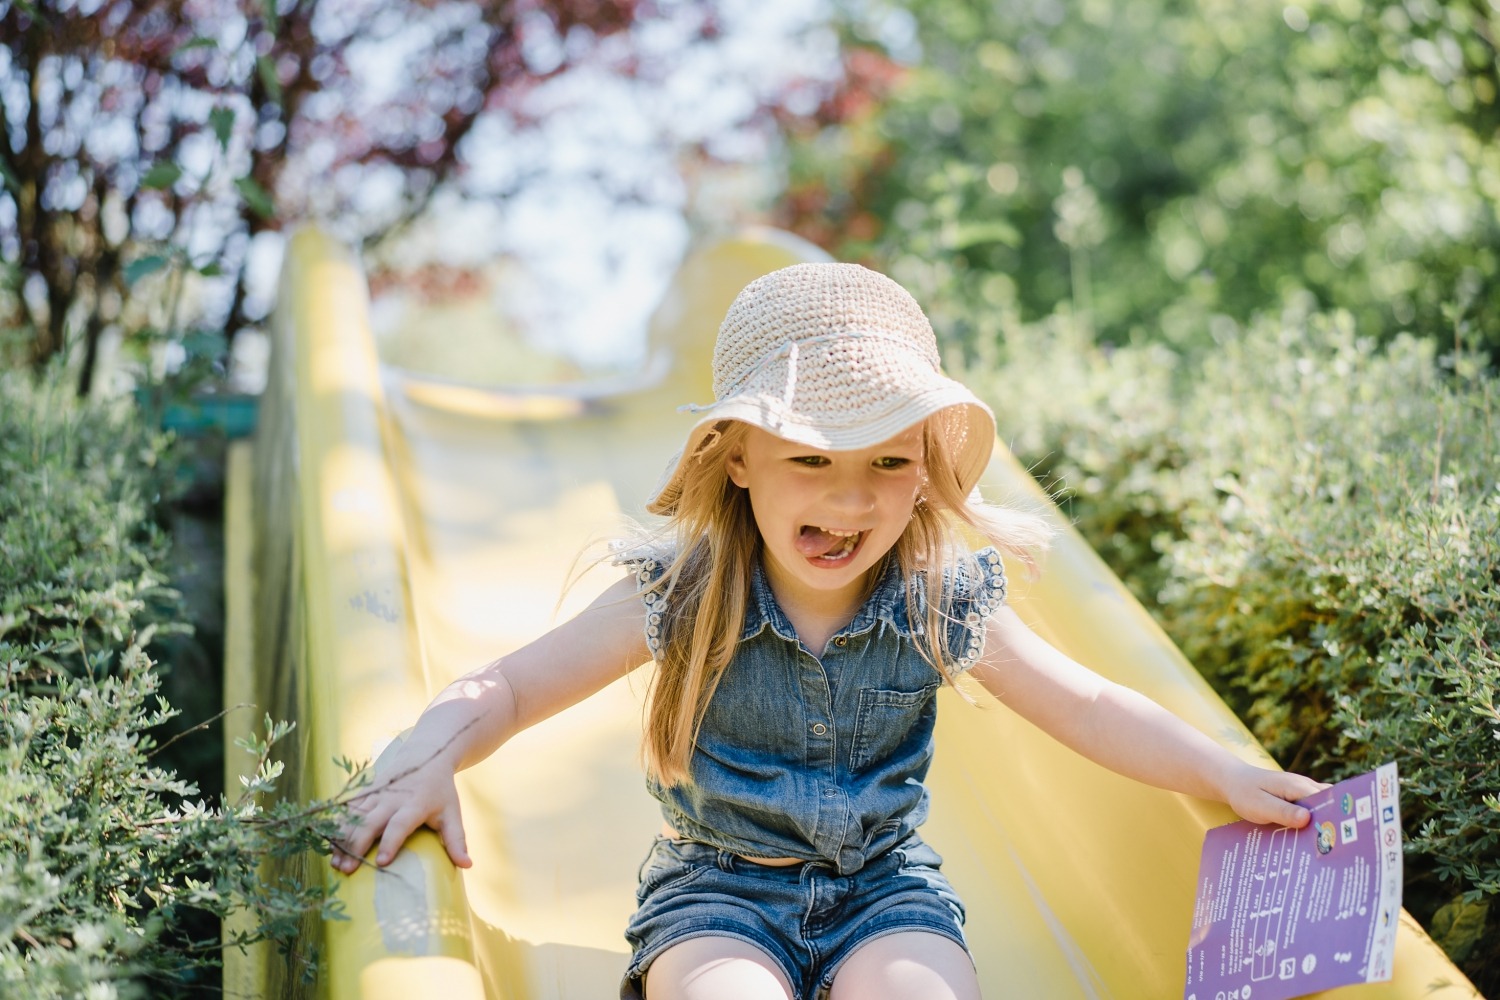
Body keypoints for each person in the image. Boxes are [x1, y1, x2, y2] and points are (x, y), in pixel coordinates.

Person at [331, 262, 1325, 1000]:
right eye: (812, 458)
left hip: (886, 893)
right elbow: (507, 688)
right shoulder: (685, 594)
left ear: (925, 473)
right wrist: (426, 754)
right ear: (739, 459)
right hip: (716, 895)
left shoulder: (939, 598)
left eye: (890, 463)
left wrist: (1221, 772)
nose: (851, 500)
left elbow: (1089, 702)